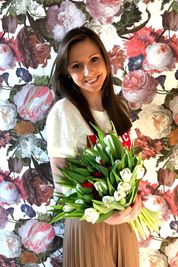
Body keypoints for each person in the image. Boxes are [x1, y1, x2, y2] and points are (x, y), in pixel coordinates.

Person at [46, 26, 142, 267]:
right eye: (76, 66)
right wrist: (104, 214)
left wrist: (134, 199)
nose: (88, 71)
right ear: (67, 73)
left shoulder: (119, 108)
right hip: (88, 224)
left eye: (94, 59)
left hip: (124, 222)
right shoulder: (64, 112)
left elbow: (127, 167)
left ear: (105, 61)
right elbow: (61, 185)